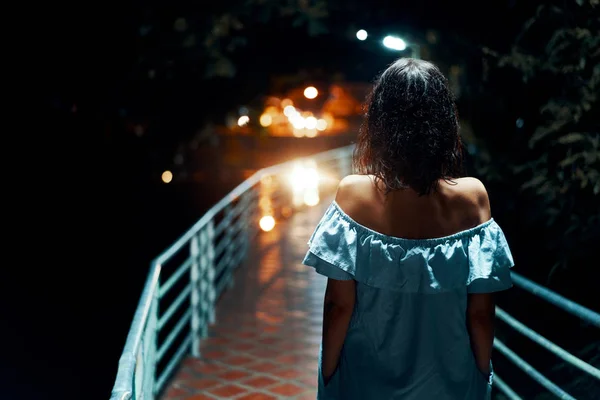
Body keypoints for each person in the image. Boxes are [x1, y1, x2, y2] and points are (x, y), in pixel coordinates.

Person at [302, 58, 514, 399]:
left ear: (380, 122)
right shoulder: (474, 197)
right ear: (444, 122)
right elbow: (480, 313)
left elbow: (339, 306)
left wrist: (328, 376)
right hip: (448, 377)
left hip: (367, 376)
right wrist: (482, 375)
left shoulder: (353, 194)